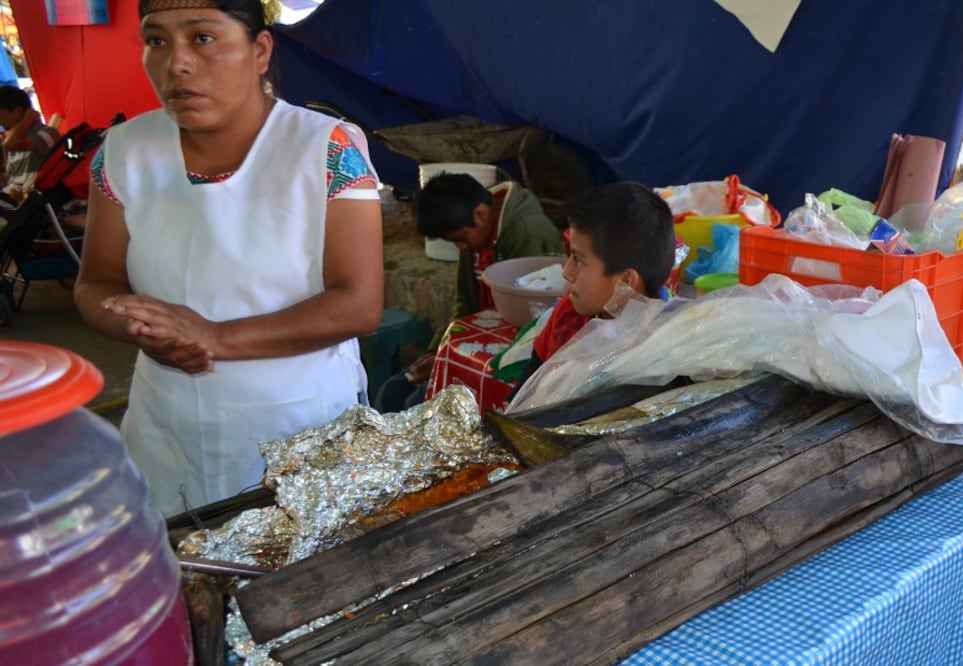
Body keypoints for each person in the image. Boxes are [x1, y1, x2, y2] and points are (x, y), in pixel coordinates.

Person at [73, 0, 384, 516]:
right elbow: (96, 282)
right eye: (156, 41)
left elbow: (358, 303)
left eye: (202, 38)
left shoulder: (324, 148)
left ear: (260, 50)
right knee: (183, 564)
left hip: (296, 428)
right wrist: (140, 328)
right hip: (166, 424)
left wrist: (214, 338)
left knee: (292, 574)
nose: (177, 63)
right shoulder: (125, 151)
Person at [374, 172, 563, 412]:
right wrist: (438, 350)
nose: (461, 248)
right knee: (392, 390)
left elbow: (532, 325)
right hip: (475, 347)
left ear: (480, 214)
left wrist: (452, 360)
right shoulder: (475, 234)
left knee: (415, 405)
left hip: (509, 359)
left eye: (461, 239)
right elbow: (465, 304)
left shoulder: (528, 234)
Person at [509, 181, 675, 394]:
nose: (566, 272)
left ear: (625, 280)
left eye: (578, 259)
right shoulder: (568, 315)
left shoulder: (660, 346)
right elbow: (527, 387)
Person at [0, 85, 61, 196]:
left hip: (32, 202)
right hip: (12, 198)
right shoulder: (12, 138)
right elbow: (11, 177)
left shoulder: (48, 133)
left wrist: (28, 119)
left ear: (18, 111)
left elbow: (10, 144)